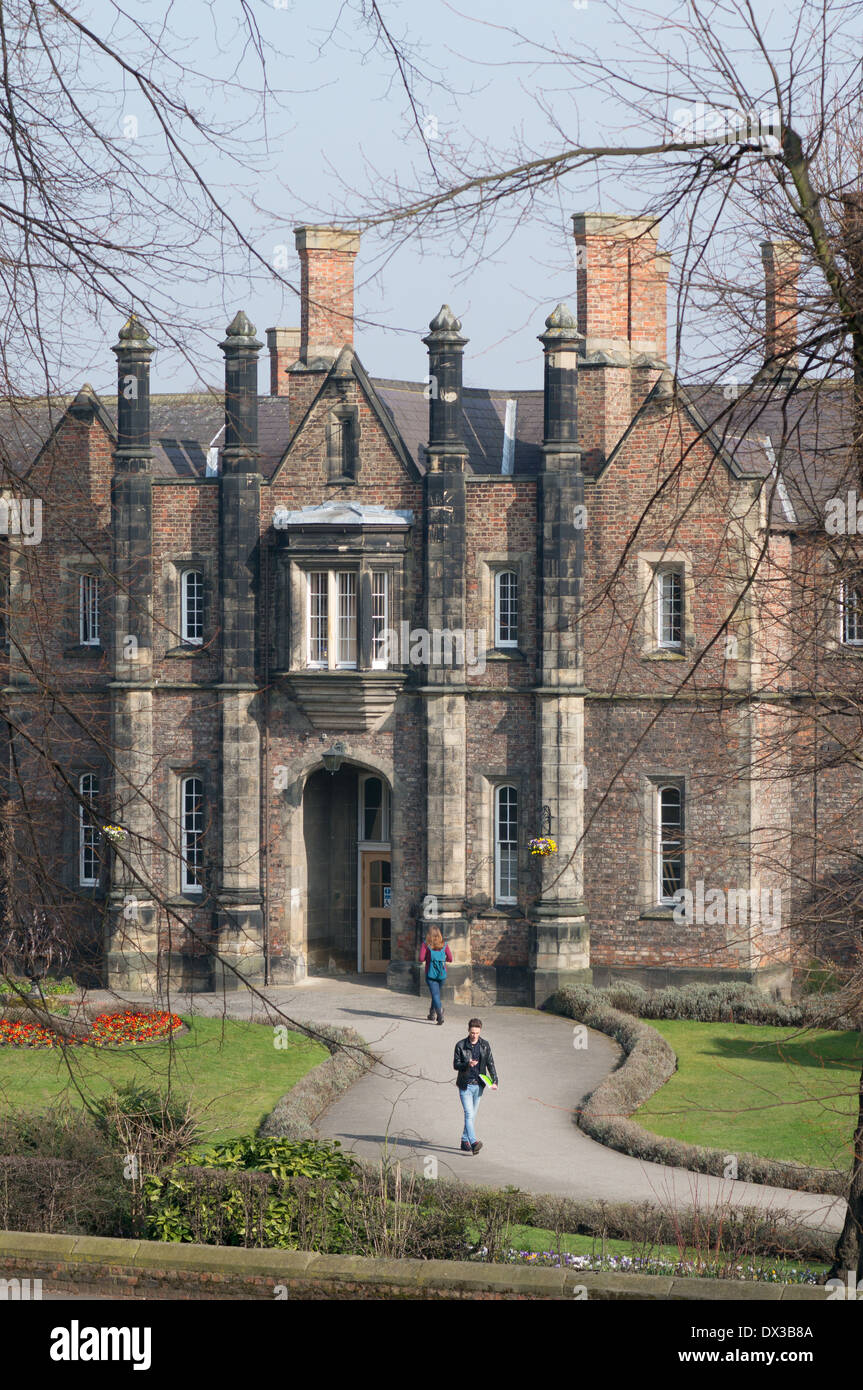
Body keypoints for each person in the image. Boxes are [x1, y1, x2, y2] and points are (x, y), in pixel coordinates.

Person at [453, 1017, 498, 1155]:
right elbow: (456, 1065)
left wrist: (495, 1080)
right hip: (465, 1085)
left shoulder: (485, 1045)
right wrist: (467, 1064)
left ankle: (464, 1140)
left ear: (480, 1032)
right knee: (469, 1113)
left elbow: (490, 1063)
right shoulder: (460, 1045)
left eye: (477, 1033)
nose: (474, 1035)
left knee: (472, 1116)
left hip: (479, 1085)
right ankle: (473, 1143)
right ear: (468, 1031)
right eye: (472, 1032)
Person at [419, 927, 452, 1024]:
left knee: (435, 994)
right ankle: (432, 1013)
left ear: (428, 935)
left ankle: (440, 1015)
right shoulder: (444, 945)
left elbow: (421, 958)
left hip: (430, 974)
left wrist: (428, 958)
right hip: (442, 974)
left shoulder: (425, 945)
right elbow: (450, 958)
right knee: (436, 994)